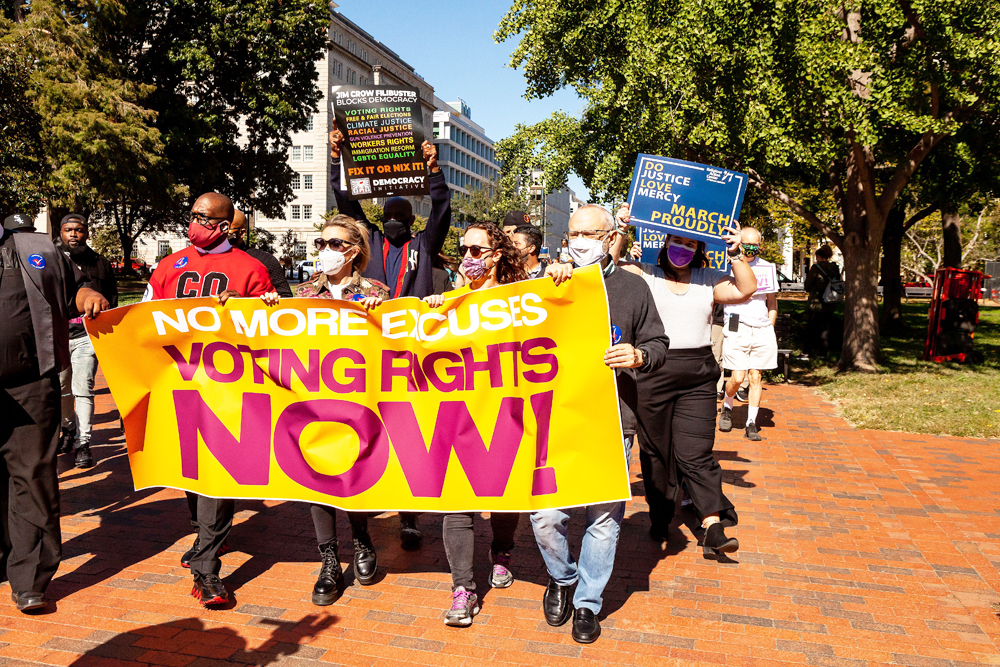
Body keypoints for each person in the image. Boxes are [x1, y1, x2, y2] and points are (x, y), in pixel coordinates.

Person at [529, 205, 669, 644]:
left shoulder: (632, 287)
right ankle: (562, 577)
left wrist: (639, 356)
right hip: (552, 416)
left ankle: (588, 602)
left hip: (614, 419)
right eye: (574, 232)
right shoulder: (548, 285)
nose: (580, 240)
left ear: (610, 238)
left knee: (604, 518)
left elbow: (658, 343)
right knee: (545, 515)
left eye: (590, 233)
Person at [423, 222, 564, 627]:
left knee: (504, 493)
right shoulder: (450, 301)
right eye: (464, 249)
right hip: (458, 416)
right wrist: (431, 316)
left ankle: (501, 552)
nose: (468, 256)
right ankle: (463, 588)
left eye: (477, 249)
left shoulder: (523, 298)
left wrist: (560, 277)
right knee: (457, 503)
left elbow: (553, 327)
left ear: (497, 254)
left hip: (507, 413)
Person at [143, 193, 278, 607]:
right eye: (192, 216)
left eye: (203, 217)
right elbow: (146, 320)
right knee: (190, 474)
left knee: (218, 476)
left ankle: (206, 571)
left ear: (224, 225)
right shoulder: (169, 265)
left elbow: (272, 328)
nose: (195, 223)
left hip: (228, 390)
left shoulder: (251, 268)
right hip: (180, 386)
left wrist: (250, 310)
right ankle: (206, 536)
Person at [330, 128, 452, 546]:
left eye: (401, 214)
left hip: (409, 349)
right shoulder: (372, 242)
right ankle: (373, 499)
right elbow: (347, 203)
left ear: (412, 220)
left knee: (409, 430)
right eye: (388, 215)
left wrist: (433, 170)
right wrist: (338, 157)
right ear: (380, 220)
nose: (393, 221)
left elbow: (442, 207)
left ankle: (409, 515)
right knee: (370, 429)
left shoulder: (423, 243)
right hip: (367, 350)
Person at [611, 205, 756, 553]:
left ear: (699, 250)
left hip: (697, 374)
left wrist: (736, 254)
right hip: (652, 371)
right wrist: (620, 228)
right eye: (676, 241)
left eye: (690, 244)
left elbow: (745, 290)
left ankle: (712, 524)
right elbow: (610, 268)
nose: (682, 249)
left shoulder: (709, 279)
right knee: (656, 454)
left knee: (696, 453)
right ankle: (660, 516)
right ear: (664, 242)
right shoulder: (644, 273)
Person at [0, 212, 110, 611]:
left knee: (32, 478)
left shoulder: (37, 250)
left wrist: (88, 299)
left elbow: (74, 291)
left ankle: (30, 579)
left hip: (29, 385)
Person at [290, 215, 387, 605]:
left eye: (334, 243)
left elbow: (393, 344)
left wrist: (382, 313)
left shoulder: (376, 291)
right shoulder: (301, 294)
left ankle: (361, 538)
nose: (325, 251)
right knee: (318, 478)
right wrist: (266, 311)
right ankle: (329, 560)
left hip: (358, 400)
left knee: (354, 474)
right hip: (311, 401)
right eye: (321, 243)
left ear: (354, 250)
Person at [56, 213, 118, 469]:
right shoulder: (49, 261)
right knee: (62, 389)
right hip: (57, 338)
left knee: (84, 389)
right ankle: (68, 429)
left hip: (87, 337)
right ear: (60, 233)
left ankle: (84, 442)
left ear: (86, 233)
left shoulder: (101, 263)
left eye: (79, 230)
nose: (73, 234)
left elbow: (111, 300)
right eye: (68, 230)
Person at [719, 228, 778, 441]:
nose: (751, 248)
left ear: (760, 244)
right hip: (737, 325)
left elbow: (772, 302)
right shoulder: (729, 264)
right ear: (740, 242)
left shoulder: (767, 268)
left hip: (761, 328)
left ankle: (751, 423)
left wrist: (769, 326)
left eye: (755, 244)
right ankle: (727, 404)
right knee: (737, 376)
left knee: (756, 376)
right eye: (747, 243)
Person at [228, 209, 293, 298]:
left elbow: (286, 297)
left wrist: (243, 302)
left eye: (227, 230)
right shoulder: (206, 256)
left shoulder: (265, 260)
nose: (220, 233)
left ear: (242, 233)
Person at [804, 245, 840, 358]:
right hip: (830, 301)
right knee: (825, 328)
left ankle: (807, 351)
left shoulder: (816, 268)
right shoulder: (835, 268)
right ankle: (823, 352)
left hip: (816, 303)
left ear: (819, 256)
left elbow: (807, 286)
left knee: (810, 328)